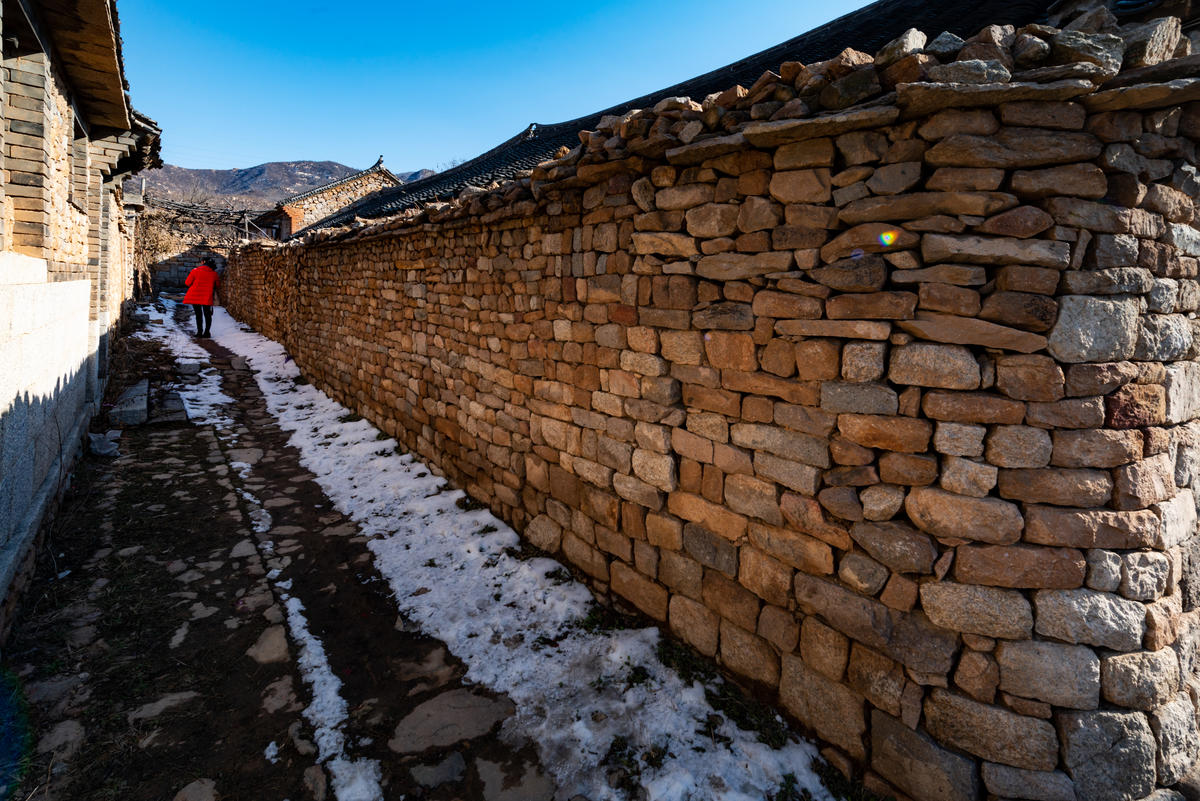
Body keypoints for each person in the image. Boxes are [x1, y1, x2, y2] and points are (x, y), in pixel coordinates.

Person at [183, 257, 220, 337]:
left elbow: (187, 283)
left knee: (198, 314)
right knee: (207, 314)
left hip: (195, 296)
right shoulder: (214, 273)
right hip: (207, 296)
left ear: (203, 262)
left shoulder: (195, 271)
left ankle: (199, 332)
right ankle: (207, 332)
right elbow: (217, 285)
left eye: (201, 262)